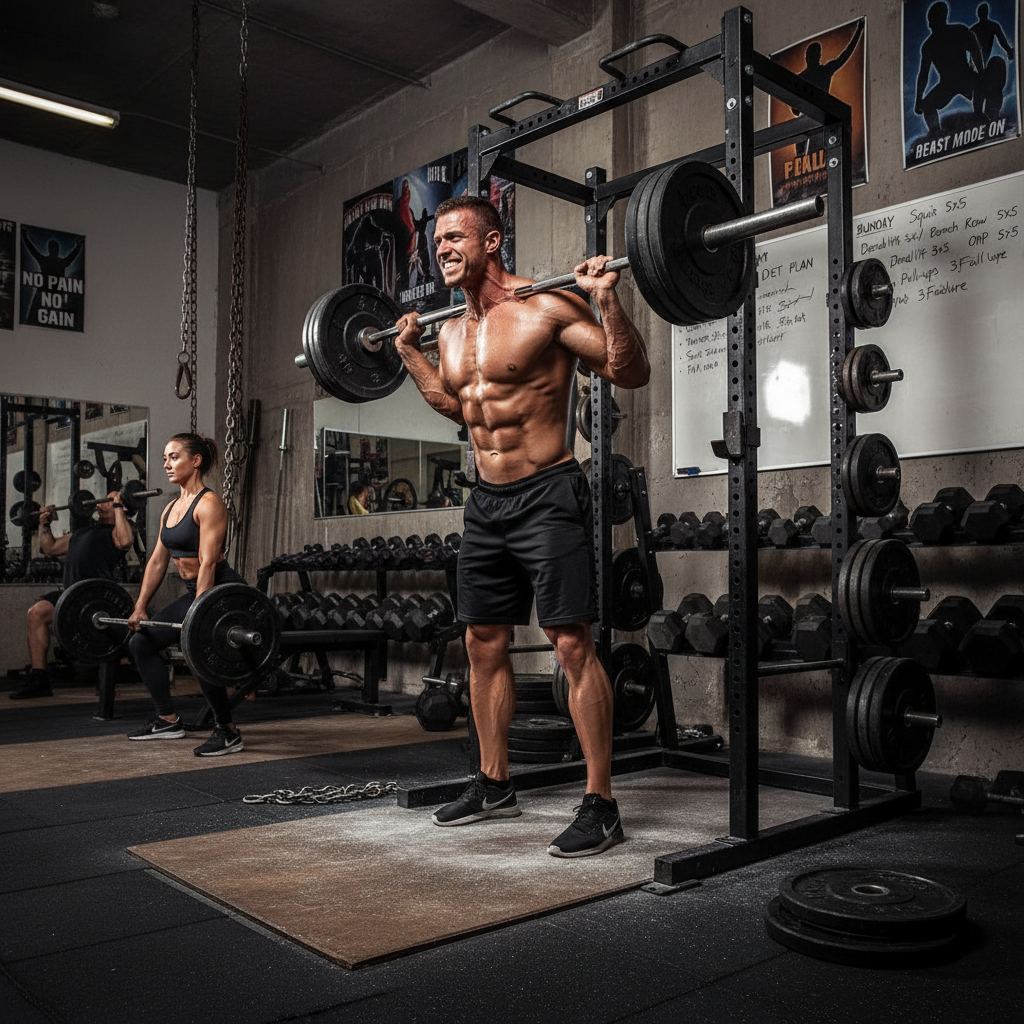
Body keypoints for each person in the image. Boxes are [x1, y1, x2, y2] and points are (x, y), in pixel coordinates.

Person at [394, 195, 649, 857]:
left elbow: (630, 370)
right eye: (437, 240)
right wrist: (411, 355)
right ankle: (494, 781)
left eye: (455, 237)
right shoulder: (451, 331)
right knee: (482, 644)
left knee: (571, 644)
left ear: (493, 241)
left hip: (549, 493)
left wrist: (607, 300)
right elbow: (462, 408)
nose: (442, 248)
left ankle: (601, 803)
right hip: (486, 502)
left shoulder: (546, 305)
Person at [125, 432, 249, 756]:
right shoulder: (170, 509)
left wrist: (199, 614)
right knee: (140, 641)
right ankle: (167, 720)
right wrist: (140, 607)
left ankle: (228, 730)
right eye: (165, 457)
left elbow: (208, 563)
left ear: (195, 461)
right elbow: (156, 561)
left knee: (196, 649)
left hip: (221, 592)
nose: (166, 463)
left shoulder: (209, 503)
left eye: (173, 457)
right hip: (195, 592)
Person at [13, 491, 133, 699]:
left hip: (96, 597)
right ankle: (39, 679)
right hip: (71, 594)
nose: (98, 505)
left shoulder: (115, 533)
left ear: (119, 508)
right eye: (101, 502)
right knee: (36, 613)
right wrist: (44, 524)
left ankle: (113, 676)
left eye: (104, 502)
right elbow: (49, 548)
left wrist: (117, 506)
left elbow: (125, 542)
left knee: (110, 642)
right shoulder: (82, 533)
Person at [914, 1, 987, 134]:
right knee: (928, 105)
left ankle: (979, 114)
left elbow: (975, 49)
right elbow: (923, 74)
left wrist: (981, 72)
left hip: (966, 76)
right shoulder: (928, 46)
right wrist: (919, 99)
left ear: (942, 18)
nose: (930, 25)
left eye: (933, 20)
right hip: (947, 84)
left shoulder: (959, 31)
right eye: (930, 20)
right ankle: (936, 132)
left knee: (983, 82)